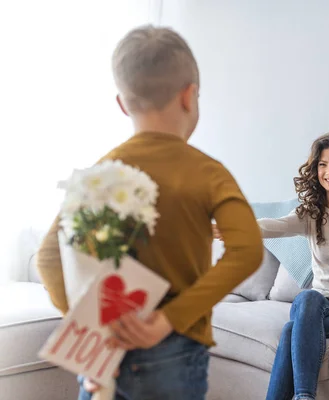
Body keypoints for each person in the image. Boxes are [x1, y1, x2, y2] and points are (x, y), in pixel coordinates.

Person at [36, 25, 264, 400]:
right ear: (190, 96)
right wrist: (169, 319)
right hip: (172, 354)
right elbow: (247, 250)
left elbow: (48, 258)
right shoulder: (208, 172)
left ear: (123, 104)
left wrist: (95, 334)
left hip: (105, 353)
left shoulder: (103, 172)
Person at [214, 131, 329, 400]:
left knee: (292, 329)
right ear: (315, 170)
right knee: (307, 298)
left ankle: (303, 396)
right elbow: (275, 226)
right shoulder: (311, 213)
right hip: (322, 306)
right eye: (323, 165)